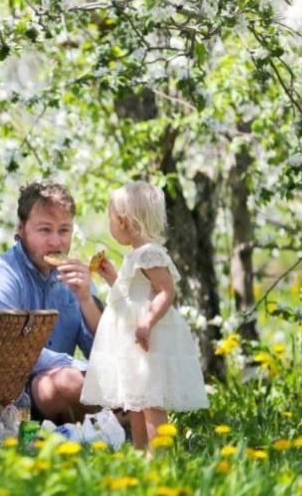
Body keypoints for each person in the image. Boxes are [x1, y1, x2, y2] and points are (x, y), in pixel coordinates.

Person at [0, 181, 102, 424]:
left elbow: (102, 350)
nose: (56, 242)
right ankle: (112, 423)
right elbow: (14, 354)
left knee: (123, 378)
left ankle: (115, 426)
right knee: (73, 383)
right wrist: (83, 370)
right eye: (45, 230)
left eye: (64, 230)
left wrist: (86, 300)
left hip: (48, 390)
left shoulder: (76, 280)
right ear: (21, 228)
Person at [80, 181, 208, 449]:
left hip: (147, 337)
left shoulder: (150, 253)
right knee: (135, 401)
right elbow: (132, 295)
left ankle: (159, 457)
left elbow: (166, 291)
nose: (110, 225)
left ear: (124, 221)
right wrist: (112, 276)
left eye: (111, 219)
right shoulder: (137, 255)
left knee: (151, 402)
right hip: (133, 337)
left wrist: (147, 322)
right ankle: (141, 454)